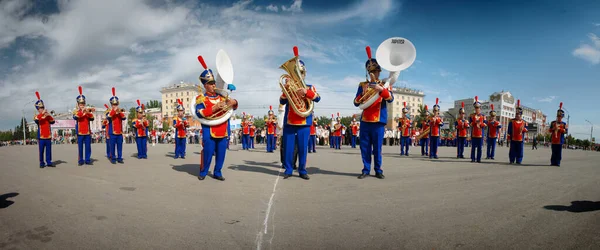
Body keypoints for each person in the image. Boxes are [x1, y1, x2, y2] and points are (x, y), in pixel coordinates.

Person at [354, 46, 397, 179]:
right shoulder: (362, 85)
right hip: (366, 120)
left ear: (379, 71)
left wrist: (380, 89)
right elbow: (356, 102)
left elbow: (390, 99)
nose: (375, 73)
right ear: (368, 72)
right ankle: (366, 169)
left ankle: (378, 170)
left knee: (377, 148)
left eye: (376, 71)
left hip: (379, 121)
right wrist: (364, 93)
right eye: (372, 71)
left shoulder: (385, 84)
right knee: (365, 147)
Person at [195, 55, 238, 181]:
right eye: (210, 83)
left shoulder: (221, 96)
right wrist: (214, 108)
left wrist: (234, 101)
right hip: (209, 129)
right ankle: (203, 172)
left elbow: (233, 107)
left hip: (223, 129)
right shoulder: (201, 98)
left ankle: (217, 172)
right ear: (205, 85)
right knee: (208, 152)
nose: (214, 85)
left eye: (214, 83)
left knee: (221, 153)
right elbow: (199, 113)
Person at [280, 46, 321, 180]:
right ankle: (288, 169)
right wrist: (286, 90)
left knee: (303, 148)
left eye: (301, 73)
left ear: (304, 74)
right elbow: (282, 101)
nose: (299, 76)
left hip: (304, 121)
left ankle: (303, 170)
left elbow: (318, 98)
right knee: (288, 148)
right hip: (290, 121)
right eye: (296, 73)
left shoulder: (310, 87)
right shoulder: (289, 85)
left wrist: (306, 92)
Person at [73, 86, 94, 166]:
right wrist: (82, 112)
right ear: (78, 104)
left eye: (83, 104)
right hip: (80, 132)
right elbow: (75, 117)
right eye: (80, 104)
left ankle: (88, 160)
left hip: (87, 132)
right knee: (80, 147)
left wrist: (88, 112)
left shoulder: (87, 111)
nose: (82, 105)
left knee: (88, 147)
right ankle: (80, 160)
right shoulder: (76, 111)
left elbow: (92, 118)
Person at [33, 91, 55, 168]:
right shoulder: (37, 116)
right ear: (38, 109)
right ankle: (41, 163)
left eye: (42, 107)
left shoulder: (46, 116)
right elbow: (36, 120)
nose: (42, 109)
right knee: (41, 151)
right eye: (40, 108)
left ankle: (49, 162)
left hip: (48, 136)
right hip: (41, 137)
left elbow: (53, 121)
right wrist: (42, 114)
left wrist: (48, 115)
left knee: (49, 150)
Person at [107, 87, 126, 164]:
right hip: (112, 133)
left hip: (119, 132)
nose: (115, 106)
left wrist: (119, 112)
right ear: (111, 104)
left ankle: (120, 157)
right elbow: (108, 117)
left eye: (116, 104)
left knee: (120, 146)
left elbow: (124, 118)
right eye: (113, 104)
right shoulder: (109, 111)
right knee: (112, 147)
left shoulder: (119, 112)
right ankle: (113, 158)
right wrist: (114, 111)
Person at [507, 100, 528, 164]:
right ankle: (511, 160)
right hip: (513, 139)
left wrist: (522, 129)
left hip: (520, 139)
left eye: (519, 114)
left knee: (520, 151)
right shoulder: (512, 121)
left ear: (521, 115)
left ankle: (519, 160)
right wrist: (508, 138)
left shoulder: (524, 122)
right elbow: (509, 130)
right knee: (512, 150)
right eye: (516, 114)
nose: (517, 115)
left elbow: (526, 129)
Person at [469, 96, 487, 163]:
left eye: (478, 108)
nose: (477, 109)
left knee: (480, 148)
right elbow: (470, 124)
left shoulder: (483, 116)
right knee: (473, 148)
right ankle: (473, 158)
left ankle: (478, 159)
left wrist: (480, 124)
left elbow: (485, 124)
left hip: (480, 134)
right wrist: (474, 122)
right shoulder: (472, 116)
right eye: (476, 108)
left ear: (480, 108)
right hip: (474, 134)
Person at [549, 102, 568, 166]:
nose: (559, 117)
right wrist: (554, 128)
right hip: (554, 140)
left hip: (560, 140)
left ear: (562, 117)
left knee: (559, 152)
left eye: (560, 116)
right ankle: (552, 162)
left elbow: (566, 132)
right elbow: (549, 130)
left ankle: (558, 162)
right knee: (553, 152)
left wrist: (560, 129)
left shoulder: (564, 124)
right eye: (558, 116)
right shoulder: (553, 122)